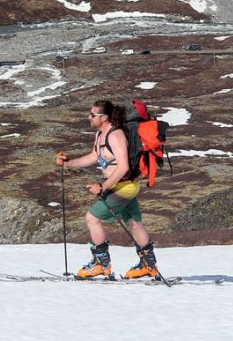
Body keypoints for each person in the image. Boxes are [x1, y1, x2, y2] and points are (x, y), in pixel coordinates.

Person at [55, 100, 158, 280]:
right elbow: (94, 156)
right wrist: (69, 163)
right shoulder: (100, 135)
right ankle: (148, 266)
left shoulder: (115, 135)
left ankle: (101, 264)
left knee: (92, 218)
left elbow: (124, 166)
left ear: (104, 118)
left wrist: (103, 186)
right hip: (124, 185)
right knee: (134, 224)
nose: (89, 117)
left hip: (123, 187)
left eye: (93, 115)